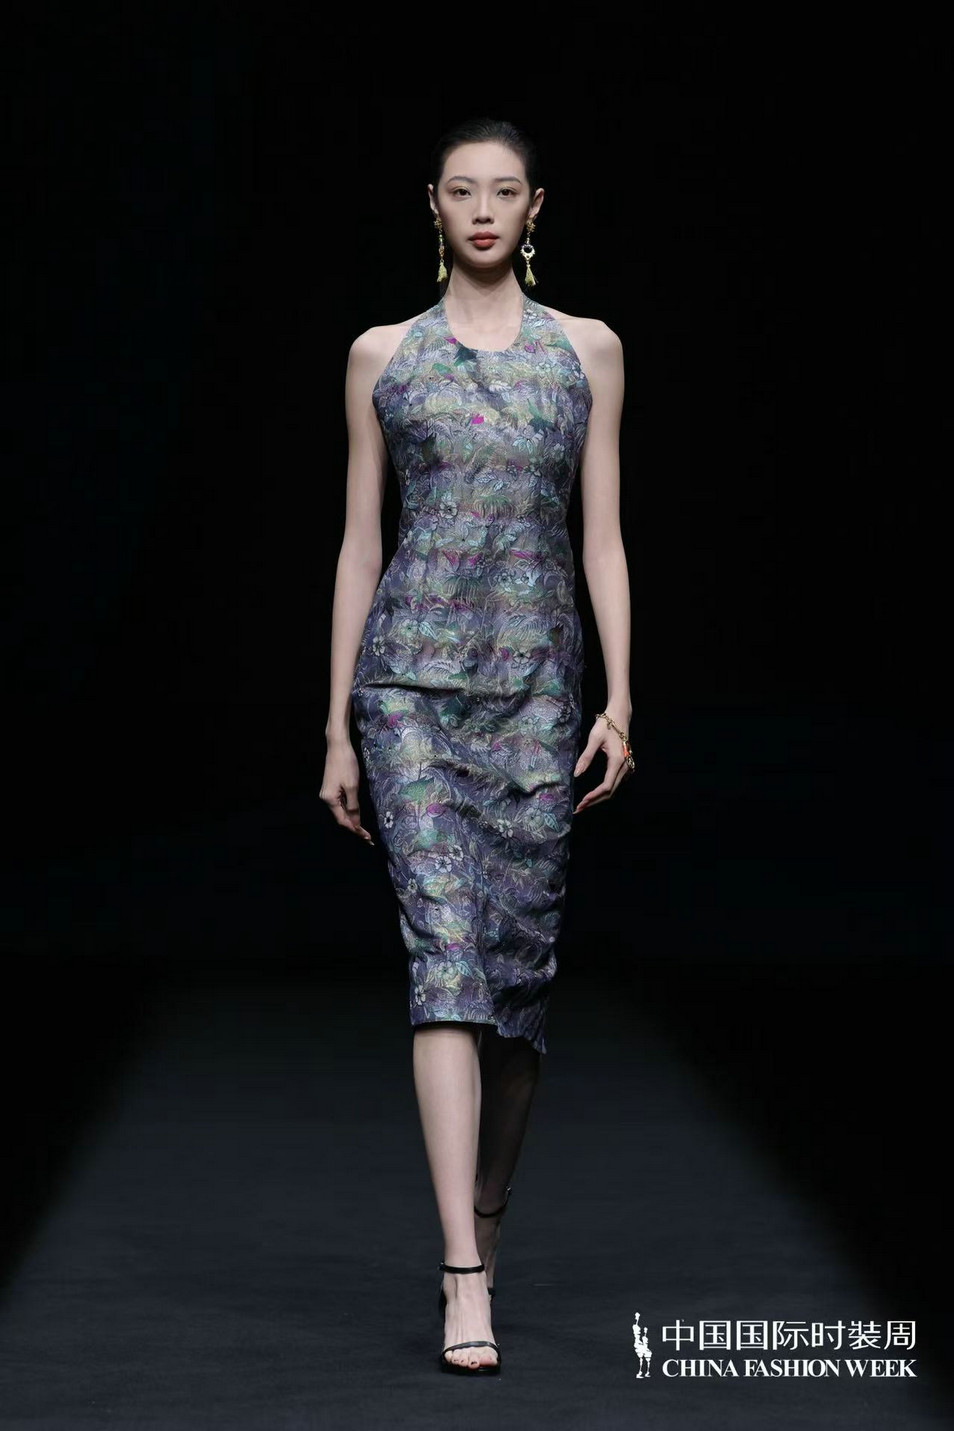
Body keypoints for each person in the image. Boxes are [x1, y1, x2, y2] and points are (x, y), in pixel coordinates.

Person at [321, 117, 633, 1374]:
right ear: (435, 205)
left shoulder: (588, 352)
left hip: (540, 695)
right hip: (408, 689)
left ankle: (488, 1217)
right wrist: (336, 722)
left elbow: (603, 533)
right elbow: (359, 541)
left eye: (506, 191)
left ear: (536, 206)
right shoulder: (383, 356)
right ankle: (462, 1272)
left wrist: (622, 698)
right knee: (445, 961)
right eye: (464, 190)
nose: (486, 209)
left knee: (515, 991)